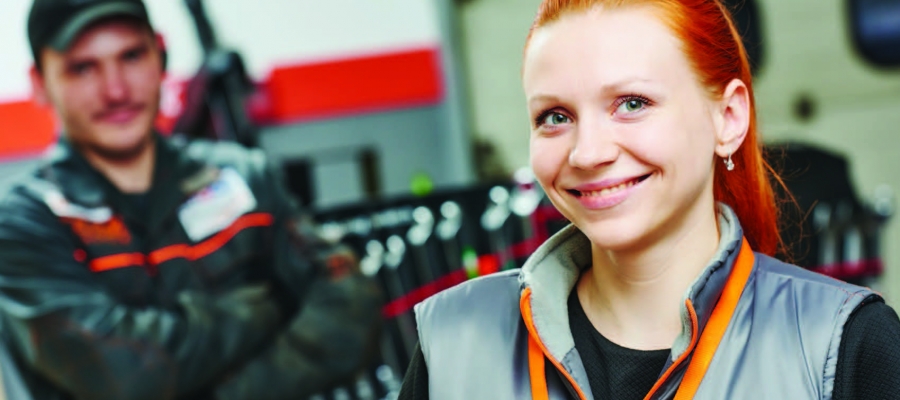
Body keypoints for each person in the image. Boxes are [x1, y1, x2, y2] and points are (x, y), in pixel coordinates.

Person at [399, 0, 900, 399]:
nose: (588, 152)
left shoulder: (846, 344)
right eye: (554, 116)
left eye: (632, 104)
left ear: (727, 119)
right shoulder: (452, 341)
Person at [0, 0, 383, 399]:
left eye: (131, 56)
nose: (115, 90)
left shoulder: (245, 178)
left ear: (160, 54)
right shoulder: (22, 224)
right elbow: (127, 377)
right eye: (83, 68)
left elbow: (349, 311)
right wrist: (268, 308)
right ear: (40, 83)